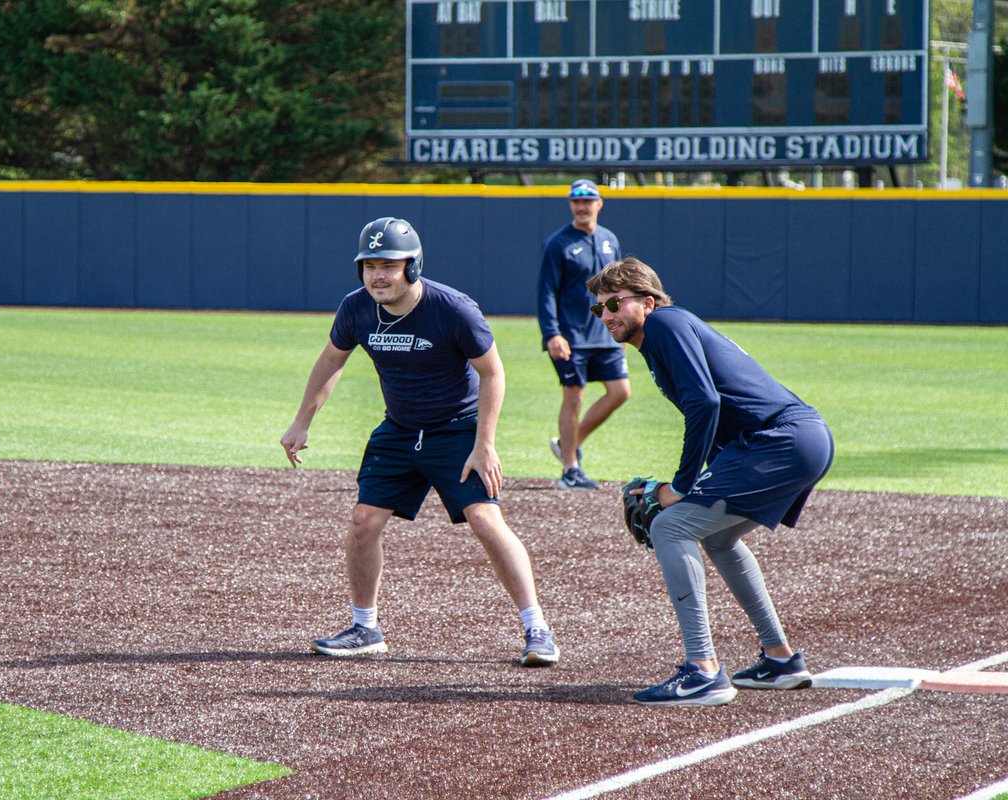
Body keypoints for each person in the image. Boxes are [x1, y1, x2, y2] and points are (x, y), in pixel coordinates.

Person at [280, 217, 560, 667]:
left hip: (457, 429)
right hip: (399, 429)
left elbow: (493, 372)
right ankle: (364, 627)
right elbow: (331, 359)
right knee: (362, 522)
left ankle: (537, 629)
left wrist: (484, 443)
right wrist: (301, 423)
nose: (378, 275)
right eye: (369, 264)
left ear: (413, 266)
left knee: (485, 520)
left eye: (389, 264)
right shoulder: (355, 309)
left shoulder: (452, 308)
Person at [586, 256, 833, 707]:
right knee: (718, 539)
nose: (605, 316)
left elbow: (705, 403)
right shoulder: (665, 333)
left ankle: (702, 670)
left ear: (647, 300)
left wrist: (680, 486)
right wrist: (692, 483)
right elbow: (721, 411)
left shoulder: (664, 325)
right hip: (791, 439)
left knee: (669, 525)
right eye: (598, 309)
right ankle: (780, 659)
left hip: (779, 439)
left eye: (614, 304)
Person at [537, 179, 631, 491]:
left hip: (605, 333)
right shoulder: (558, 243)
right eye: (576, 202)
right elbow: (546, 291)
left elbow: (617, 288)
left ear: (599, 204)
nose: (581, 207)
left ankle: (568, 444)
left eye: (587, 201)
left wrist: (623, 325)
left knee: (620, 392)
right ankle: (569, 469)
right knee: (574, 395)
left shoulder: (609, 240)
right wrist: (552, 334)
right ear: (570, 205)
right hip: (571, 336)